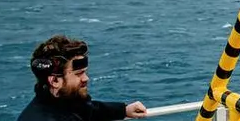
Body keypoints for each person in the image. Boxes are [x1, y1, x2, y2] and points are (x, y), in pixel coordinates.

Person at [18, 34, 147, 121]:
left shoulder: (65, 103)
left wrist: (123, 110)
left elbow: (88, 109)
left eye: (85, 72)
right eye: (78, 74)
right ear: (55, 81)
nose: (86, 78)